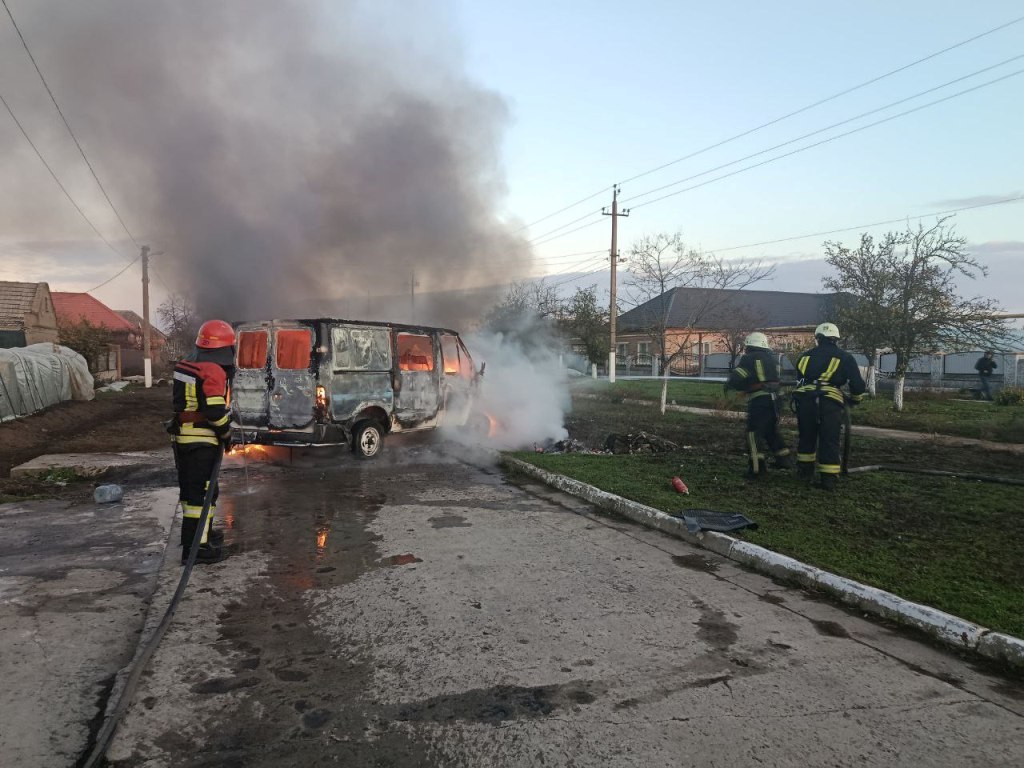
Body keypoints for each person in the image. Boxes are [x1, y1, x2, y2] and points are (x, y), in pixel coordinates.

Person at [170, 319, 235, 564]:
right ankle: (197, 549)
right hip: (201, 442)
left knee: (192, 494)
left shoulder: (184, 365)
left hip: (183, 438)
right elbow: (215, 413)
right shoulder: (213, 370)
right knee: (204, 494)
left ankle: (199, 537)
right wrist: (226, 435)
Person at [792, 323, 866, 491]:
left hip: (806, 401)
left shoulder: (804, 356)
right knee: (829, 439)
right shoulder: (845, 357)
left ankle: (804, 473)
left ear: (817, 338)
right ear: (836, 339)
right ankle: (828, 480)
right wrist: (855, 400)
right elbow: (857, 385)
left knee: (806, 437)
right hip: (830, 403)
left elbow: (800, 381)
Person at [725, 332, 794, 478]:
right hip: (776, 400)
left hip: (760, 401)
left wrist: (733, 385)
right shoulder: (773, 360)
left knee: (753, 434)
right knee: (770, 430)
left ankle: (757, 469)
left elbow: (736, 378)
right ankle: (784, 460)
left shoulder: (749, 358)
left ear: (749, 346)